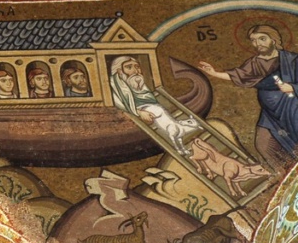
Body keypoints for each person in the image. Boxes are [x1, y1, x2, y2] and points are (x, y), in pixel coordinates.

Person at [199, 24, 298, 169]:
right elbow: (239, 75)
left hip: (292, 110)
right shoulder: (254, 63)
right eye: (253, 40)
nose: (258, 43)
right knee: (263, 144)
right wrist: (214, 73)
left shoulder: (292, 60)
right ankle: (286, 174)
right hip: (270, 114)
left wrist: (293, 87)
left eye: (262, 39)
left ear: (273, 40)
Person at [109, 55, 199, 155]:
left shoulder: (138, 83)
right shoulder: (116, 87)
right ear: (119, 71)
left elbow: (148, 98)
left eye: (137, 67)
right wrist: (139, 112)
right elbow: (118, 103)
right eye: (129, 67)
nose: (136, 71)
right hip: (144, 111)